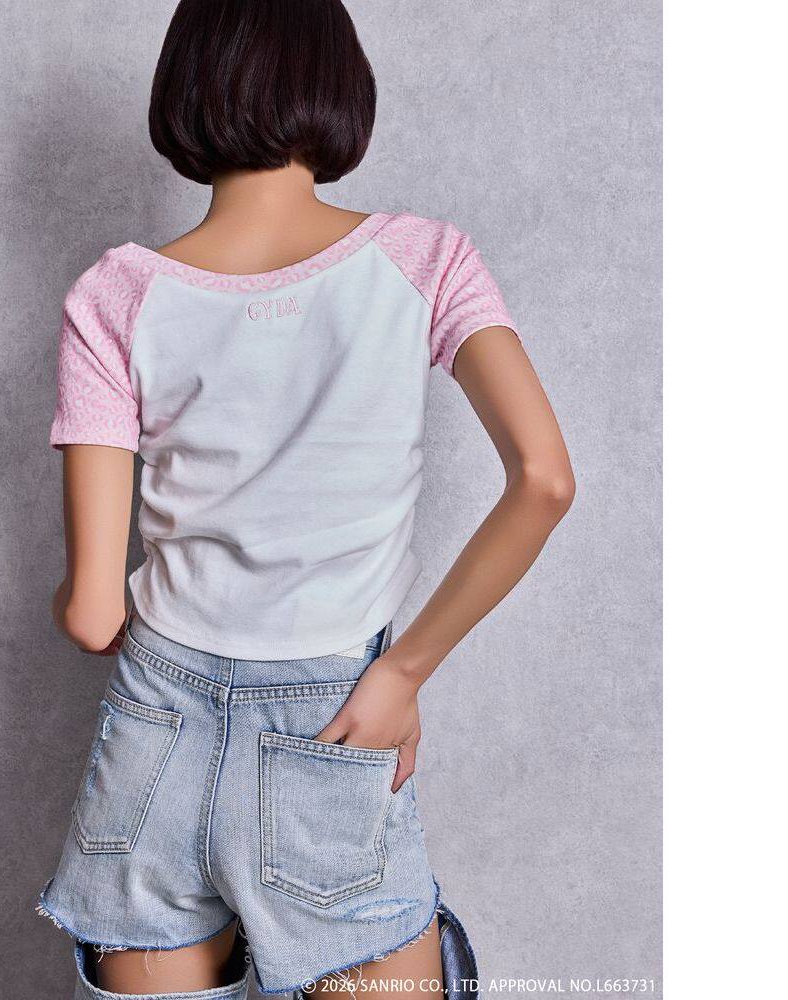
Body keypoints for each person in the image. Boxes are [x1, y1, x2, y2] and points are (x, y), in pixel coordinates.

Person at [36, 1, 574, 997]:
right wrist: (403, 671)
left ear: (185, 90)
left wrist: (73, 596)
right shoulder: (425, 260)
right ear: (339, 86)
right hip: (331, 718)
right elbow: (543, 479)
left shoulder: (114, 295)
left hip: (155, 734)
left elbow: (94, 616)